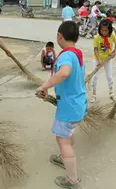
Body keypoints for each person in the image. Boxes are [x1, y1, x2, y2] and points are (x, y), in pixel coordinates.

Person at [36, 21, 86, 188]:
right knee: (67, 133)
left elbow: (64, 72)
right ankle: (64, 157)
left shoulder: (65, 55)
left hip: (69, 106)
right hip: (78, 103)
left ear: (59, 36)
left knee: (62, 139)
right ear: (77, 38)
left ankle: (72, 180)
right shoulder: (77, 53)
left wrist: (44, 86)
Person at [91, 19, 116, 103]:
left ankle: (111, 93)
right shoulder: (97, 37)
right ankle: (93, 94)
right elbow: (95, 50)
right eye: (102, 30)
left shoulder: (112, 35)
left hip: (107, 59)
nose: (104, 32)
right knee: (95, 77)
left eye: (106, 30)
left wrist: (114, 52)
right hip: (97, 59)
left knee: (109, 77)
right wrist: (99, 60)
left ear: (110, 29)